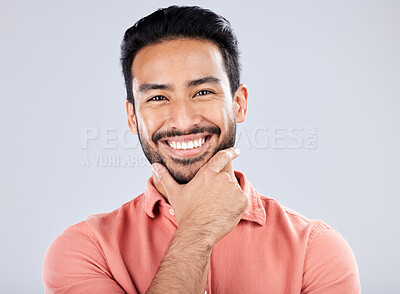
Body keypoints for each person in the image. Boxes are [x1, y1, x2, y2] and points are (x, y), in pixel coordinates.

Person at [42, 5, 360, 294]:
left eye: (203, 91)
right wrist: (199, 230)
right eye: (157, 98)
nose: (183, 120)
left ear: (238, 104)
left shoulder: (317, 251)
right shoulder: (85, 250)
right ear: (132, 117)